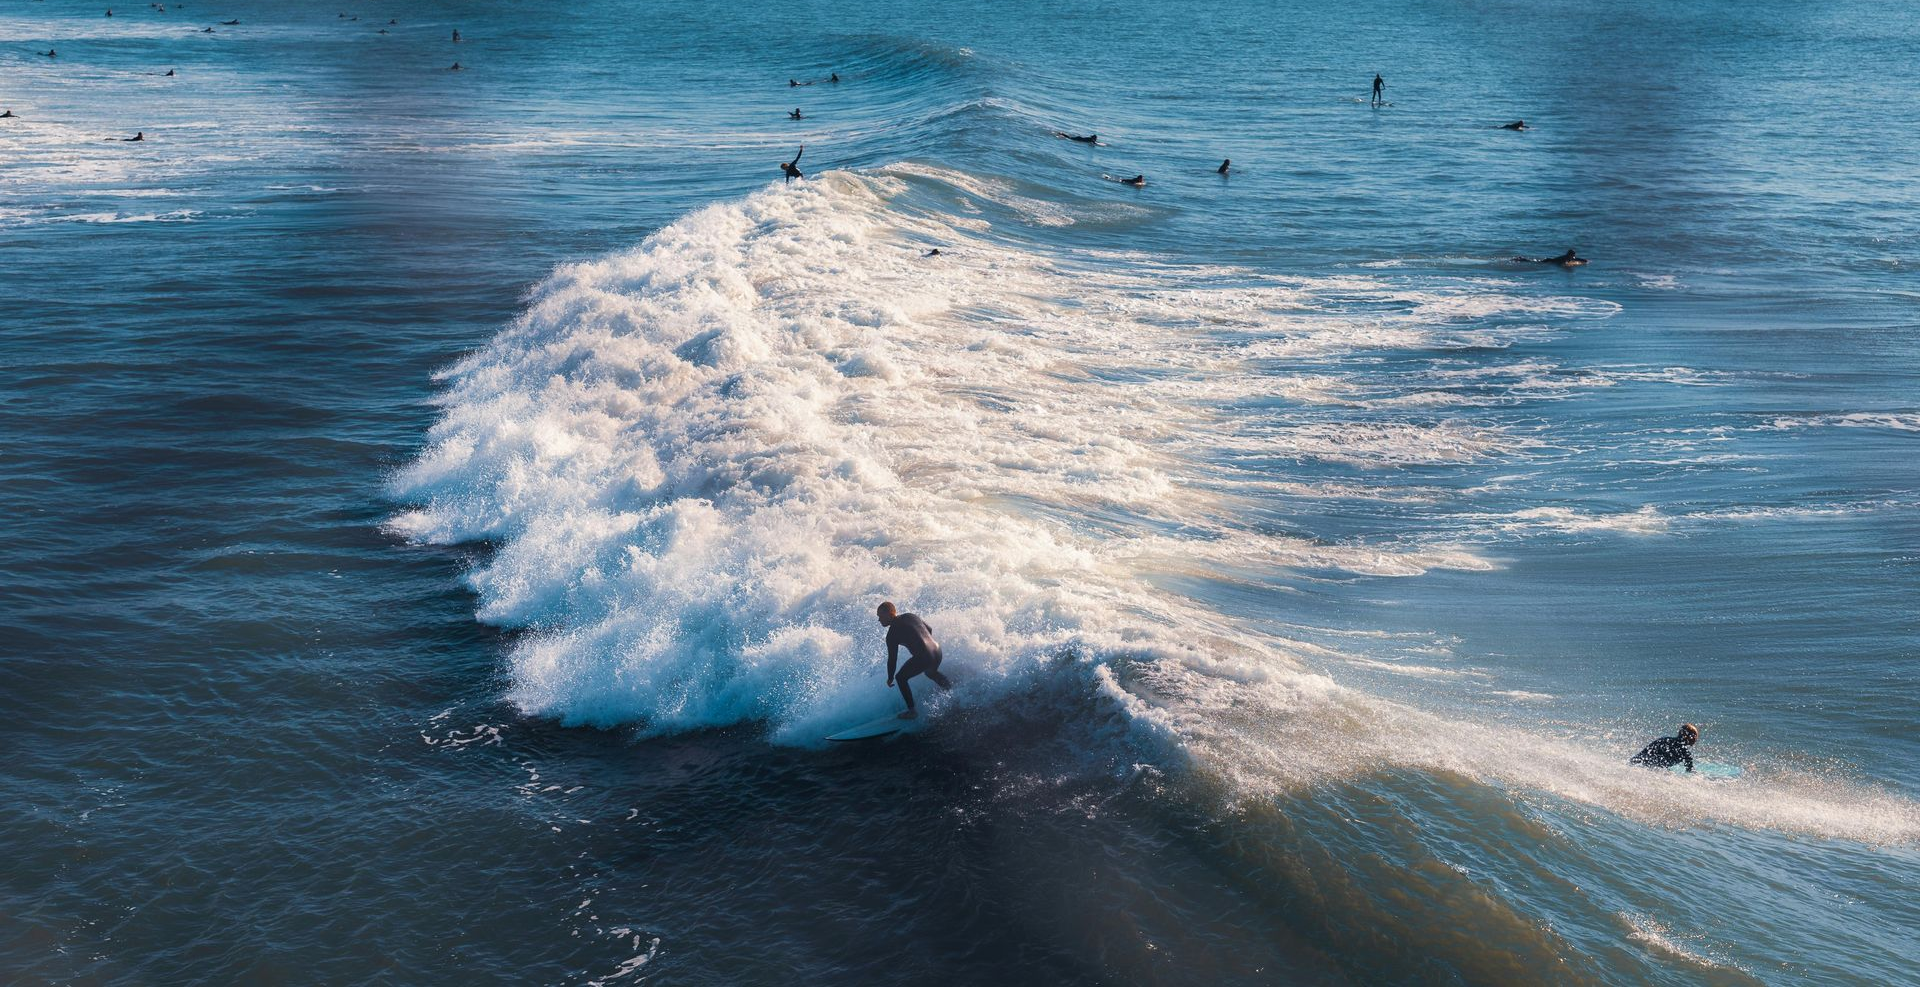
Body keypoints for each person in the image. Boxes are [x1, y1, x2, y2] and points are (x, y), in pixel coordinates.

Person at [877, 602, 952, 719]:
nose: (879, 620)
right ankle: (952, 690)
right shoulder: (910, 616)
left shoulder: (891, 634)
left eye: (880, 616)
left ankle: (912, 711)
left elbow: (892, 658)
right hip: (937, 650)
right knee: (930, 673)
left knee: (900, 678)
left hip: (924, 656)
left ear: (890, 614)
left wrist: (890, 677)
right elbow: (929, 629)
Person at [1631, 723, 1700, 772]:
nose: (1696, 739)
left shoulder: (1665, 740)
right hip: (1647, 767)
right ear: (1691, 737)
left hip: (1637, 762)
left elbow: (1645, 752)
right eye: (1695, 736)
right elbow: (1690, 771)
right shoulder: (1685, 754)